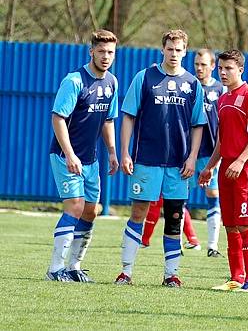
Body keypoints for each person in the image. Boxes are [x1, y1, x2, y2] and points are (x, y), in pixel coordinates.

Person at [115, 29, 206, 287]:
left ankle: (171, 275)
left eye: (179, 50)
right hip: (146, 158)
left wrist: (192, 158)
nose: (174, 54)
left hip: (179, 164)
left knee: (175, 216)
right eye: (170, 49)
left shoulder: (192, 84)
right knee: (138, 212)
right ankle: (126, 272)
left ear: (185, 51)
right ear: (162, 49)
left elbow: (198, 124)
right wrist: (125, 152)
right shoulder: (144, 77)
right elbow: (129, 116)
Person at [46, 29, 119, 282]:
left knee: (90, 211)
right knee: (75, 206)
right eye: (101, 51)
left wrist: (112, 152)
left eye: (110, 52)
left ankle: (74, 267)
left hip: (91, 159)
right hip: (66, 156)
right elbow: (58, 118)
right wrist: (70, 154)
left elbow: (108, 120)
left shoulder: (112, 82)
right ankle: (55, 270)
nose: (106, 56)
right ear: (91, 52)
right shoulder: (74, 81)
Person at [198, 49, 248, 292]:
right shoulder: (222, 99)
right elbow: (221, 140)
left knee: (246, 224)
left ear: (241, 70)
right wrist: (209, 167)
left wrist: (240, 161)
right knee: (230, 224)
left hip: (246, 170)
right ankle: (236, 278)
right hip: (226, 168)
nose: (223, 73)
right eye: (221, 69)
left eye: (229, 68)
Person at [189, 49, 227, 257]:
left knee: (213, 195)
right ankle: (182, 241)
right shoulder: (188, 87)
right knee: (178, 196)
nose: (199, 68)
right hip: (187, 152)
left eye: (203, 64)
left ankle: (213, 246)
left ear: (213, 66)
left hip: (211, 152)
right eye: (196, 64)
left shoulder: (220, 90)